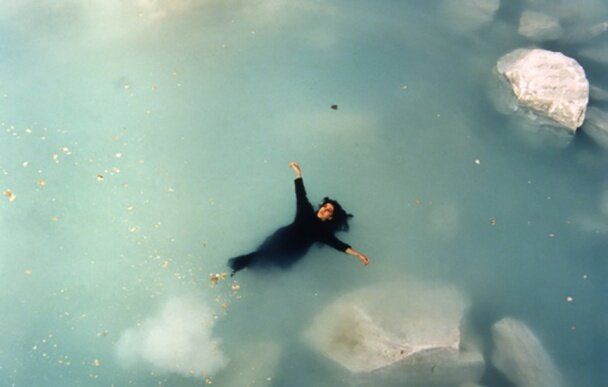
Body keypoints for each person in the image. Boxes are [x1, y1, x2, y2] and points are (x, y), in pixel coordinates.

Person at [228, 162, 370, 275]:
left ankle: (236, 273)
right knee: (255, 258)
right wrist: (298, 174)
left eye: (328, 210)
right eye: (324, 206)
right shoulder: (306, 211)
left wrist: (358, 255)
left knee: (265, 268)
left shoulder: (324, 233)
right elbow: (301, 195)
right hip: (279, 240)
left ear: (330, 217)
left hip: (291, 253)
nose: (324, 209)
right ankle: (230, 271)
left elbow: (340, 246)